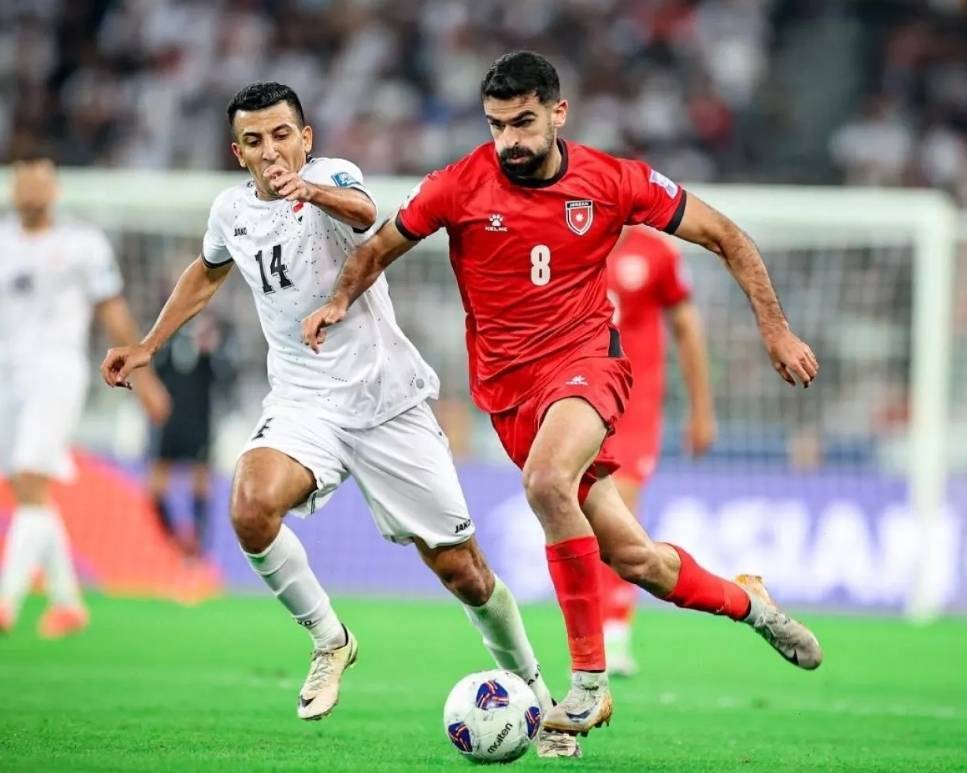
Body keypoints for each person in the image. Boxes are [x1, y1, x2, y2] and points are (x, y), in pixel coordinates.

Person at [302, 51, 823, 738]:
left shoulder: (613, 180)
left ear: (558, 113)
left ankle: (587, 685)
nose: (508, 141)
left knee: (547, 483)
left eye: (523, 123)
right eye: (496, 126)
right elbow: (377, 249)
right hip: (507, 396)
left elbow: (725, 236)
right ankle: (751, 604)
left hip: (587, 364)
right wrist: (339, 300)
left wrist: (775, 330)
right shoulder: (457, 185)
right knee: (636, 561)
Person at [100, 82, 578, 758]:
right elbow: (206, 273)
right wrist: (149, 343)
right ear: (238, 152)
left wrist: (310, 191)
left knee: (464, 572)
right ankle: (330, 639)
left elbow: (365, 213)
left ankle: (540, 697)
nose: (271, 150)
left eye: (282, 135)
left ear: (306, 138)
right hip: (303, 401)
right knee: (250, 506)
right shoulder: (230, 211)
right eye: (255, 141)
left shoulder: (333, 178)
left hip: (387, 404)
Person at [0, 156, 171, 637]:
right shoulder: (3, 240)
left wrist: (146, 382)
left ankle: (6, 600)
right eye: (23, 180)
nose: (31, 189)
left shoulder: (81, 243)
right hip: (6, 375)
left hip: (56, 370)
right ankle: (67, 602)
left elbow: (113, 311)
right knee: (26, 489)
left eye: (40, 180)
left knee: (31, 477)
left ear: (55, 188)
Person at [601, 226, 716, 676]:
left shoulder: (656, 254)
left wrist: (701, 409)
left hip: (635, 406)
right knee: (582, 513)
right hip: (580, 395)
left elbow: (686, 327)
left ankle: (613, 632)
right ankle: (595, 630)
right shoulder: (570, 236)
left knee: (618, 508)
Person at [148, 313, 235, 558]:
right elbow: (152, 380)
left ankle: (198, 542)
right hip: (169, 427)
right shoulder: (164, 351)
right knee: (156, 485)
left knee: (201, 483)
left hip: (198, 427)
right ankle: (171, 538)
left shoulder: (210, 357)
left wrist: (212, 351)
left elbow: (226, 381)